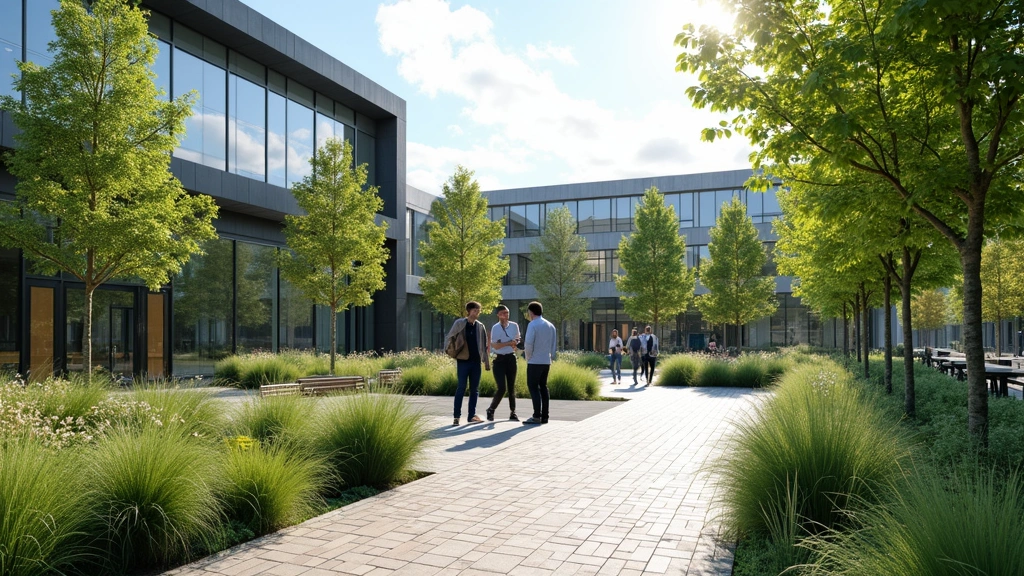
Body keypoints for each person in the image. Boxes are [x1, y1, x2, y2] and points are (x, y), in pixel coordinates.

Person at [443, 301, 490, 425]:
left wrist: (486, 362)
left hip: (476, 362)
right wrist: (450, 351)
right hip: (463, 361)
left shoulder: (480, 326)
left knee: (474, 390)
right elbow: (449, 337)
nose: (477, 313)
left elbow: (484, 346)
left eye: (478, 311)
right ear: (469, 311)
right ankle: (456, 417)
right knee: (461, 388)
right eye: (475, 310)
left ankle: (471, 416)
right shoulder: (459, 323)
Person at [523, 301, 556, 425]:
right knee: (543, 387)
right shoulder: (550, 325)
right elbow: (553, 344)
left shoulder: (533, 325)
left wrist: (528, 357)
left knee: (533, 387)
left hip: (534, 361)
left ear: (531, 312)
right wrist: (551, 356)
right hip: (546, 361)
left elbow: (529, 343)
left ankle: (536, 415)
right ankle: (545, 416)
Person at [487, 304, 520, 421]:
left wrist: (515, 342)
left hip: (511, 358)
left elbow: (517, 339)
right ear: (498, 315)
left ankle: (513, 412)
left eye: (507, 312)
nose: (506, 315)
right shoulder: (496, 328)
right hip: (499, 359)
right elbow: (495, 345)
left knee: (511, 387)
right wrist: (508, 343)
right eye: (504, 313)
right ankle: (491, 409)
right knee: (502, 388)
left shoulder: (514, 326)